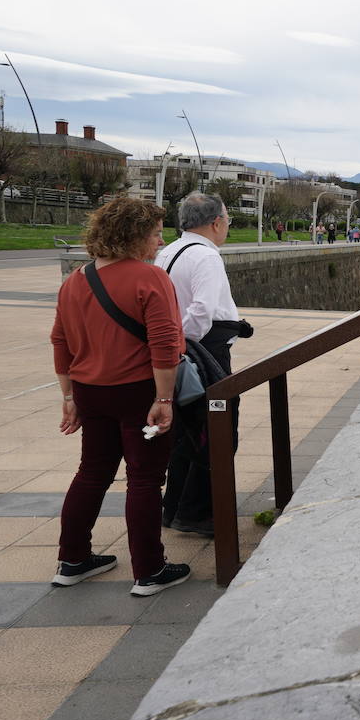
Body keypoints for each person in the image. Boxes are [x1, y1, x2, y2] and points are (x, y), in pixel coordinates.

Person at [50, 196, 191, 596]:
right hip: (138, 392)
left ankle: (72, 559)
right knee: (144, 480)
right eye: (155, 233)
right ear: (135, 236)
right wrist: (164, 400)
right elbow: (164, 343)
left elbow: (60, 340)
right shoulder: (150, 278)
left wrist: (69, 395)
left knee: (91, 472)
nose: (160, 242)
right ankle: (149, 570)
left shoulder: (76, 280)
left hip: (90, 391)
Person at [155, 192, 249, 537]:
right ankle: (199, 512)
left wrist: (173, 347)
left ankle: (175, 507)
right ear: (216, 222)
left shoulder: (167, 252)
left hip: (179, 348)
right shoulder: (206, 257)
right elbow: (202, 310)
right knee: (218, 429)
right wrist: (187, 346)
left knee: (188, 432)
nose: (226, 226)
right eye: (227, 220)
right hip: (204, 350)